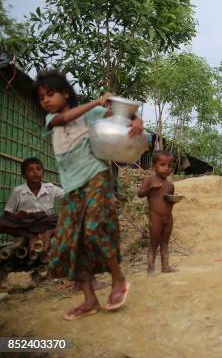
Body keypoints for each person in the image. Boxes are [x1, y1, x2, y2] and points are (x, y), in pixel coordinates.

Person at [36, 69, 140, 319]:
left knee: (93, 229)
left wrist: (136, 121)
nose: (46, 101)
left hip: (95, 177)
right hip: (72, 188)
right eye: (41, 98)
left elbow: (122, 117)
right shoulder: (52, 120)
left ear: (65, 93)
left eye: (51, 94)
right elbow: (64, 119)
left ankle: (118, 279)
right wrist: (96, 100)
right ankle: (90, 300)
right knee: (73, 242)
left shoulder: (91, 115)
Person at [1, 157, 64, 249]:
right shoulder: (18, 191)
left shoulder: (51, 188)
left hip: (45, 223)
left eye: (38, 169)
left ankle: (48, 233)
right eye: (30, 170)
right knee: (1, 222)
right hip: (26, 224)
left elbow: (70, 196)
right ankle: (30, 236)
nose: (35, 172)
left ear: (43, 172)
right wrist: (16, 216)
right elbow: (7, 214)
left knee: (67, 218)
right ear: (23, 175)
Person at [137, 150, 178, 275]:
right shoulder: (150, 180)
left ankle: (165, 266)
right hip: (155, 218)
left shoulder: (170, 185)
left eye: (169, 166)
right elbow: (139, 194)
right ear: (154, 166)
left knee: (165, 243)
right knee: (154, 243)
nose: (166, 168)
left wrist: (173, 199)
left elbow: (168, 200)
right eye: (162, 165)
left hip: (168, 218)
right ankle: (151, 268)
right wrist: (150, 189)